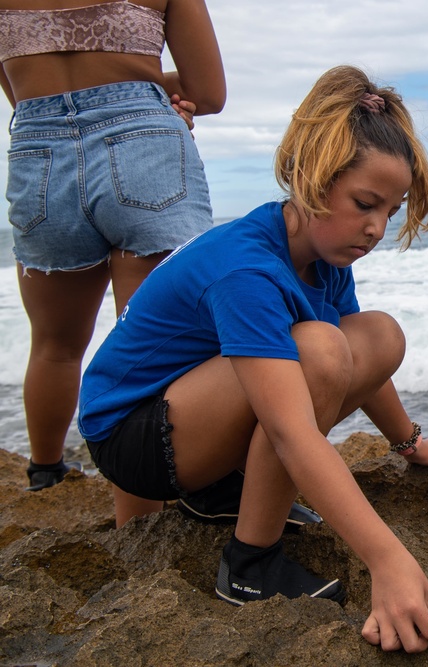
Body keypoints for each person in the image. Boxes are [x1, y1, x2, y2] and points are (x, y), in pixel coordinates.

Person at [78, 65, 428, 652]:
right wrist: (387, 558)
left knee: (380, 335)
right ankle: (249, 565)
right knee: (318, 349)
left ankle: (217, 492)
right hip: (130, 436)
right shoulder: (246, 267)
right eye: (365, 203)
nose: (376, 227)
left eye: (391, 209)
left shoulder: (323, 257)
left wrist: (410, 443)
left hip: (186, 414)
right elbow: (290, 427)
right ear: (312, 178)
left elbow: (354, 363)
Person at [0, 0, 226, 491]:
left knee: (55, 345)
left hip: (39, 153)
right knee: (156, 341)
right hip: (143, 139)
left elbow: (18, 94)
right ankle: (171, 483)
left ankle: (46, 472)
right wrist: (146, 88)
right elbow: (207, 92)